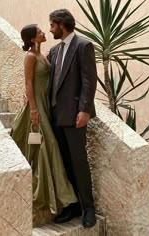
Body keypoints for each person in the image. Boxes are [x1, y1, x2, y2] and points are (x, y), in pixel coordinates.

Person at [10, 24, 77, 226]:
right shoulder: (30, 57)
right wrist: (33, 109)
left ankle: (61, 198)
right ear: (32, 39)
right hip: (37, 106)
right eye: (39, 32)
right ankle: (67, 200)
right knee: (51, 148)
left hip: (46, 106)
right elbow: (28, 83)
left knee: (47, 148)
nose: (44, 32)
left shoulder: (43, 55)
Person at [47, 9, 97, 228]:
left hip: (75, 115)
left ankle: (88, 208)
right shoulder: (54, 51)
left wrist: (84, 110)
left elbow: (89, 80)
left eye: (52, 25)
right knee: (64, 163)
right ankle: (73, 205)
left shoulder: (83, 46)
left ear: (61, 24)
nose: (50, 29)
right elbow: (47, 80)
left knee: (79, 162)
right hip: (56, 116)